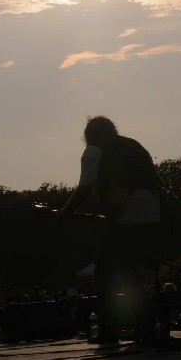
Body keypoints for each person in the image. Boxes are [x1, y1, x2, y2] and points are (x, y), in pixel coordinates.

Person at [61, 116, 162, 344]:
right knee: (127, 269)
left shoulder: (95, 150)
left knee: (104, 272)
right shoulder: (134, 145)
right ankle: (145, 326)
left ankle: (109, 330)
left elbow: (85, 187)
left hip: (127, 214)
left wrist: (66, 211)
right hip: (152, 213)